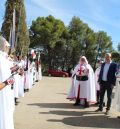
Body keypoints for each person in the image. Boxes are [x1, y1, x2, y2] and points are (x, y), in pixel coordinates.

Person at [0, 36, 15, 129]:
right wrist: (7, 82)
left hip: (6, 97)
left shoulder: (4, 59)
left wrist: (14, 71)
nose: (8, 49)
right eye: (6, 46)